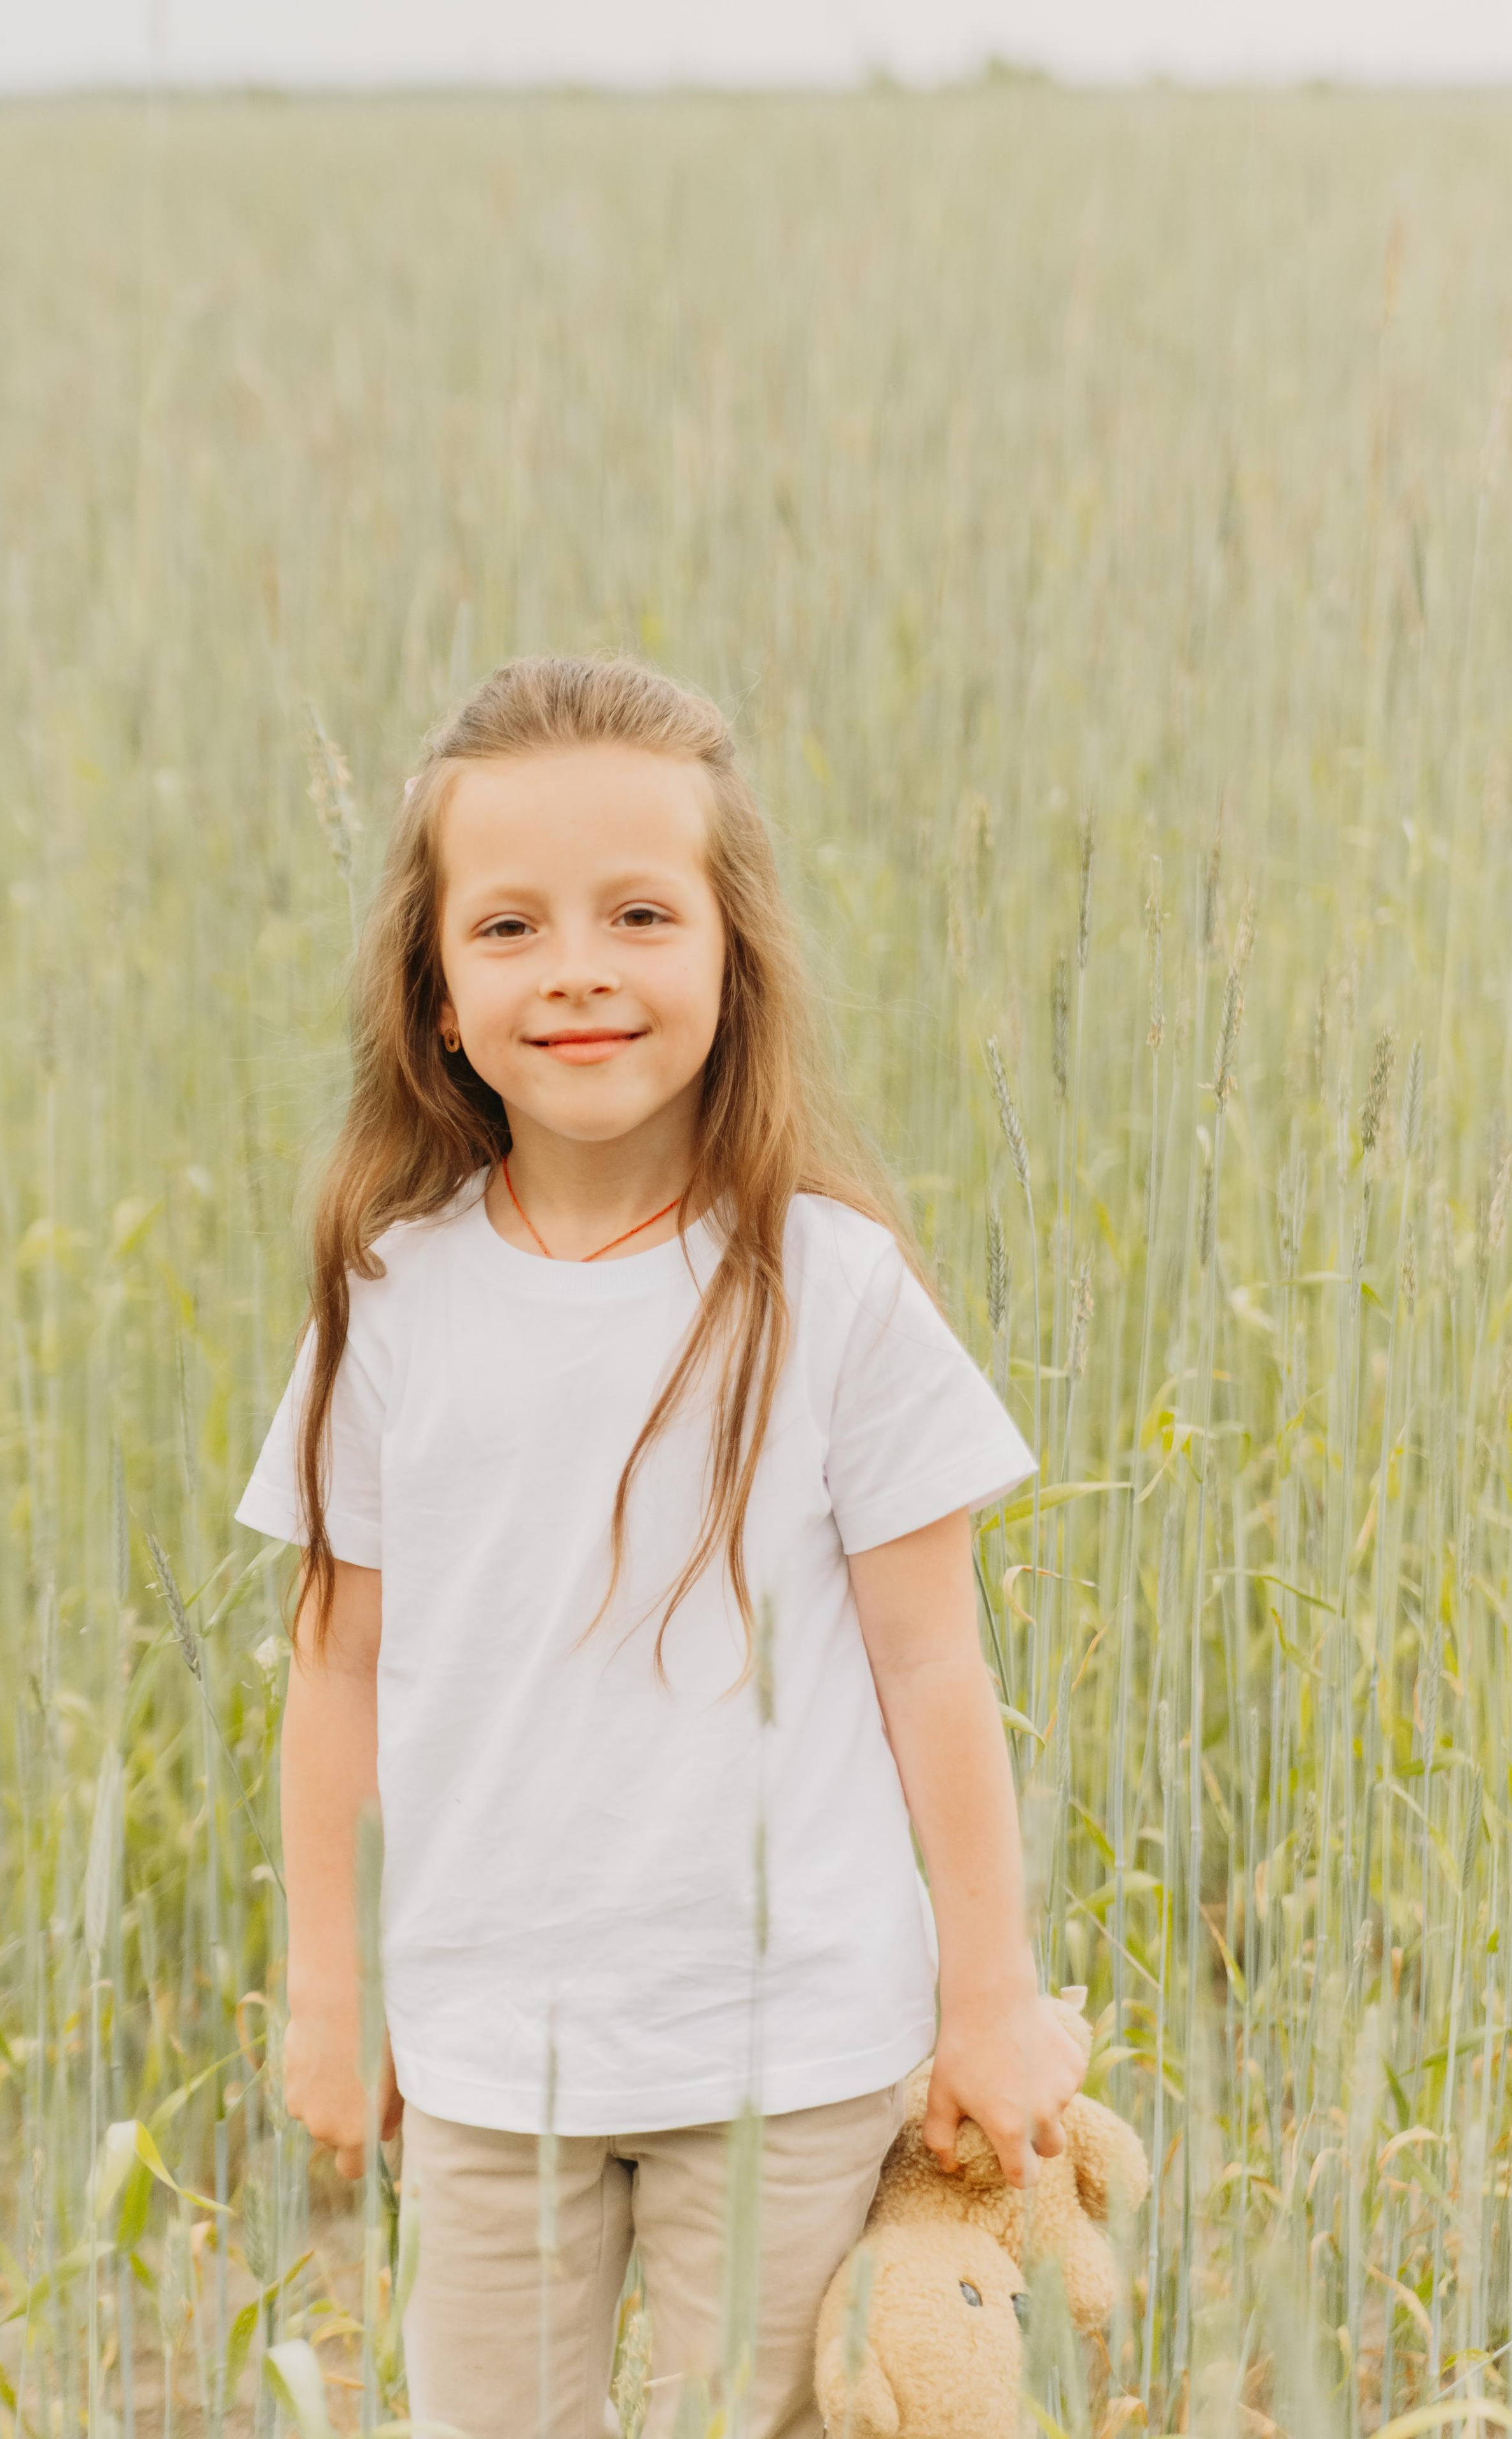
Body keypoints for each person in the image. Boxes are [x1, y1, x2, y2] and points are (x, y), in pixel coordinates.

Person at [233, 655, 1089, 2439]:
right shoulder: (390, 1306)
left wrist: (990, 1998)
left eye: (639, 912)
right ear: (438, 995)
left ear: (730, 956)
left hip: (792, 2044)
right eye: (511, 926)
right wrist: (334, 1985)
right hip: (485, 2045)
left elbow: (938, 1663)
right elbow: (337, 1663)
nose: (579, 970)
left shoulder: (832, 1290)